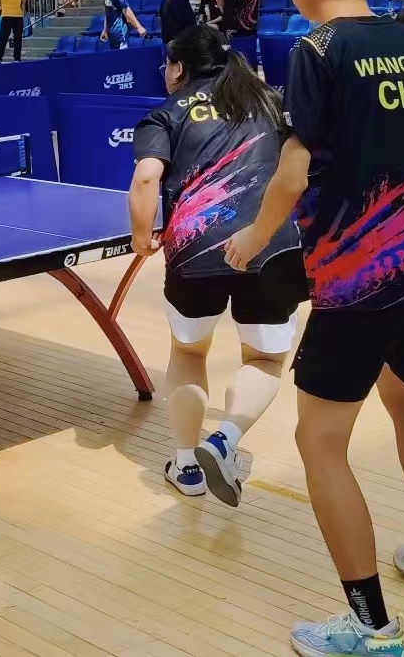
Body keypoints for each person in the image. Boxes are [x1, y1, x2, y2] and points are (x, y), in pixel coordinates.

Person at [223, 0, 404, 657]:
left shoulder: (318, 49)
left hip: (362, 280)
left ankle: (372, 627)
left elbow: (293, 171)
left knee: (320, 440)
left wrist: (252, 238)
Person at [128, 25, 304, 505]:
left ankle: (186, 465)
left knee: (188, 353)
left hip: (194, 249)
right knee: (264, 359)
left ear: (179, 67)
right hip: (271, 247)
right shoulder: (269, 102)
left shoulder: (166, 113)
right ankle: (224, 439)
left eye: (167, 63)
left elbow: (146, 178)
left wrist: (141, 237)